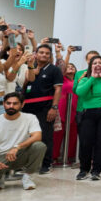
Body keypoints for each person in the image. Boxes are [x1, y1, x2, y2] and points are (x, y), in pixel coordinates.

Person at [0, 93, 47, 191]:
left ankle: (27, 176)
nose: (11, 106)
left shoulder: (30, 118)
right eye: (8, 103)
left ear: (22, 104)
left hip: (19, 154)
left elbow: (37, 136)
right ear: (3, 104)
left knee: (39, 146)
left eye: (15, 103)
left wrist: (17, 147)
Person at [21, 44, 63, 175]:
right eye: (41, 52)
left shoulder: (54, 70)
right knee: (26, 136)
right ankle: (26, 163)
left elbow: (58, 89)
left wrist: (54, 108)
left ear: (50, 56)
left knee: (46, 136)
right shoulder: (30, 67)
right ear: (36, 54)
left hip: (45, 108)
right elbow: (24, 86)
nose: (44, 55)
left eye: (47, 53)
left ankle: (46, 163)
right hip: (27, 107)